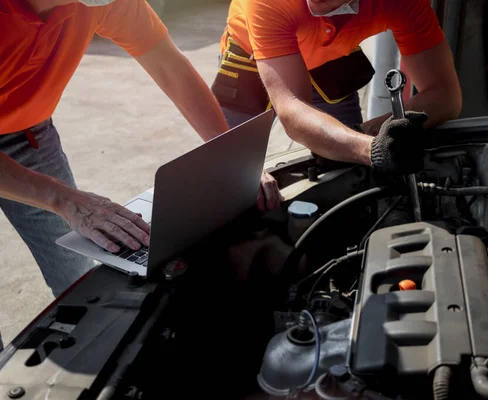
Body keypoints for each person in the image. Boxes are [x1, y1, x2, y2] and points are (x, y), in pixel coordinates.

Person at [0, 0, 279, 301]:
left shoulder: (104, 2)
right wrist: (62, 198)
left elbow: (168, 65)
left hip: (29, 134)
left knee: (77, 278)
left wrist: (233, 158)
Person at [211, 0, 462, 178]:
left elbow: (445, 95)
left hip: (329, 56)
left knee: (348, 172)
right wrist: (370, 149)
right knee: (230, 172)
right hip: (253, 53)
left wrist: (374, 133)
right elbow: (292, 110)